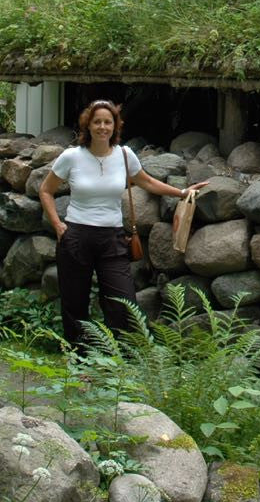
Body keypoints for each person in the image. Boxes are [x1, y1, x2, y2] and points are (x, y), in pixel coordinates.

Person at [40, 99, 207, 349]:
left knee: (123, 300)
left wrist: (182, 192)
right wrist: (57, 224)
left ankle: (120, 356)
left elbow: (147, 182)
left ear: (115, 126)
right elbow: (46, 190)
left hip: (112, 238)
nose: (102, 127)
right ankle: (78, 357)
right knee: (75, 301)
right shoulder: (72, 156)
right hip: (76, 236)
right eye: (97, 122)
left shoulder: (124, 155)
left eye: (108, 122)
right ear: (88, 125)